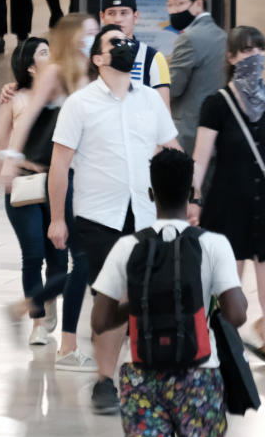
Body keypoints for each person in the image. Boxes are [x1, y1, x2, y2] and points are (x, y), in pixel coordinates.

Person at [91, 149, 247, 437]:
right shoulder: (213, 244)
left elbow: (99, 321)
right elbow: (238, 313)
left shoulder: (127, 247)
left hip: (141, 375)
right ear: (192, 191)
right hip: (200, 374)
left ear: (150, 194)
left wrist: (141, 305)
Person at [47, 25, 181, 414]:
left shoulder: (150, 101)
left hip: (145, 212)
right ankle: (106, 380)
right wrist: (58, 219)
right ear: (98, 58)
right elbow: (60, 164)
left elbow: (170, 149)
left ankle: (140, 370)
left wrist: (190, 197)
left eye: (128, 40)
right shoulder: (80, 104)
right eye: (114, 43)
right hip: (98, 217)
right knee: (116, 296)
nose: (125, 47)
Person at [188, 26, 265, 409]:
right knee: (227, 298)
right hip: (226, 209)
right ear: (230, 57)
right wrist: (192, 199)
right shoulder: (217, 103)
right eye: (245, 51)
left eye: (259, 49)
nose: (253, 56)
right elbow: (200, 158)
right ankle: (214, 372)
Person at [0, 14, 99, 371]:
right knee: (76, 256)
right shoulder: (56, 72)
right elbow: (27, 116)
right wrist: (8, 161)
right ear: (72, 37)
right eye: (88, 32)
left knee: (88, 258)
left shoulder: (92, 74)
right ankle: (61, 340)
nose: (94, 37)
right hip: (46, 174)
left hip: (79, 178)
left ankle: (31, 309)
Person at [0, 37, 66, 347]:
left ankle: (49, 312)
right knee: (33, 254)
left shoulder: (66, 93)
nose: (52, 57)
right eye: (44, 53)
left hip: (58, 183)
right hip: (22, 183)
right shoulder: (14, 98)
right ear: (31, 67)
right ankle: (37, 321)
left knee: (59, 258)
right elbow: (0, 142)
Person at [165, 0, 227, 156]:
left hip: (189, 135)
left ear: (198, 4)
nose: (173, 10)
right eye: (169, 5)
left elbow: (172, 88)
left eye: (179, 3)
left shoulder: (188, 39)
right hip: (217, 133)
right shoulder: (222, 35)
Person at [99, 0, 171, 107]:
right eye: (111, 13)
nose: (117, 19)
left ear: (135, 17)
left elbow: (164, 112)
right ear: (102, 17)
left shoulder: (153, 57)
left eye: (124, 13)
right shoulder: (93, 56)